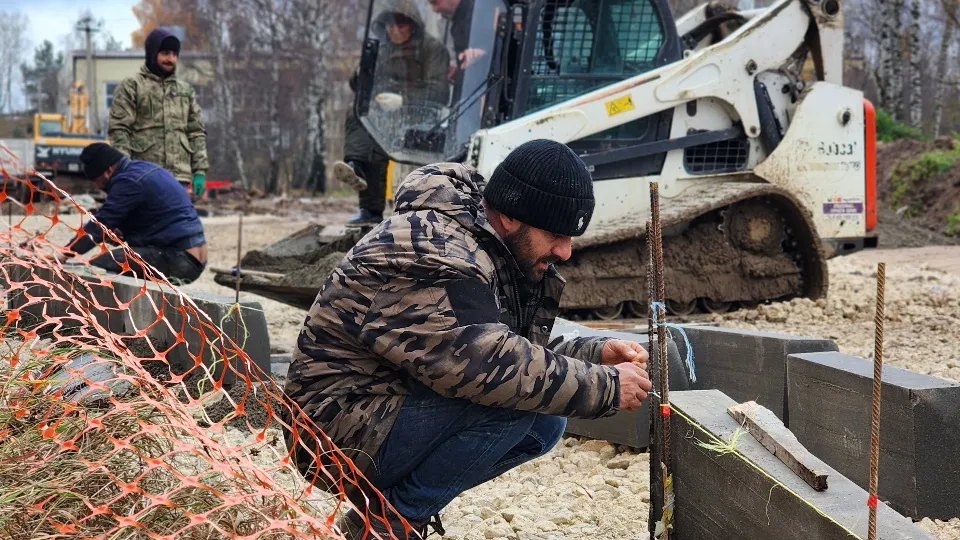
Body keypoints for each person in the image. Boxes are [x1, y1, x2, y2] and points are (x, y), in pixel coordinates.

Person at [285, 139, 653, 539]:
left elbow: (505, 345)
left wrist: (595, 354)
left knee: (545, 422)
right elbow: (489, 367)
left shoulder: (487, 242)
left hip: (378, 405)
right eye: (555, 234)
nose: (565, 251)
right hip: (329, 432)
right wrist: (606, 386)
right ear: (511, 217)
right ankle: (388, 525)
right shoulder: (438, 252)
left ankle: (388, 513)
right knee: (512, 406)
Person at [334, 0, 450, 225]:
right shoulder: (380, 49)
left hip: (422, 116)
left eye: (401, 26)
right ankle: (358, 175)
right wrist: (362, 72)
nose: (394, 31)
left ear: (413, 25)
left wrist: (404, 100)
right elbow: (358, 86)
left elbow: (439, 92)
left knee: (380, 132)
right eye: (390, 26)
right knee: (360, 112)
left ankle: (417, 213)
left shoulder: (432, 49)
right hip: (386, 114)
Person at [59, 143, 208, 284]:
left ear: (109, 170)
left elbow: (100, 225)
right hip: (194, 255)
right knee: (118, 260)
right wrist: (124, 232)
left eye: (97, 181)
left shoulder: (128, 182)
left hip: (180, 259)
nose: (98, 186)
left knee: (97, 267)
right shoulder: (142, 169)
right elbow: (157, 216)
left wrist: (65, 253)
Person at [108, 28, 209, 200]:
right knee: (146, 225)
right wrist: (124, 171)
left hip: (179, 178)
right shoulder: (132, 87)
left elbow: (196, 132)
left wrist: (199, 171)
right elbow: (119, 130)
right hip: (145, 176)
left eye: (174, 54)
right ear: (153, 53)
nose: (170, 59)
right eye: (165, 53)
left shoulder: (185, 91)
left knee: (179, 225)